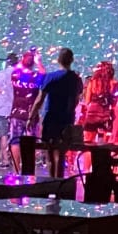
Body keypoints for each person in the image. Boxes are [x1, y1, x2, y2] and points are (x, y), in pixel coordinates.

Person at [32, 49, 84, 177]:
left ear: (58, 60)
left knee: (50, 154)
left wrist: (31, 116)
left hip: (51, 118)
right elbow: (76, 100)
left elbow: (40, 99)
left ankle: (51, 182)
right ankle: (59, 183)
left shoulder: (51, 77)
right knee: (61, 155)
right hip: (67, 119)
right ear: (72, 60)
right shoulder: (76, 79)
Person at [8, 48, 46, 168]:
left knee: (15, 141)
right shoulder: (35, 77)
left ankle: (16, 168)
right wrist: (38, 61)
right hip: (31, 114)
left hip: (16, 113)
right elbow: (43, 73)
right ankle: (28, 169)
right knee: (30, 142)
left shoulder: (15, 75)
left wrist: (25, 58)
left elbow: (17, 67)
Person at [80, 60, 118, 144]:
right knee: (102, 140)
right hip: (105, 113)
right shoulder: (114, 83)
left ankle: (89, 152)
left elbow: (87, 100)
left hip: (92, 112)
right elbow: (114, 102)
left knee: (88, 139)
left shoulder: (92, 81)